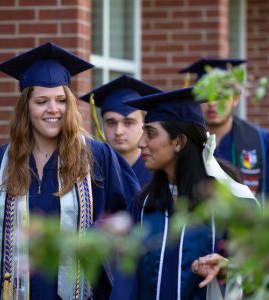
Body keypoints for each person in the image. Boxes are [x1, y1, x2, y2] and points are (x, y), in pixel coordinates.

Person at [0, 42, 140, 300]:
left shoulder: (98, 158)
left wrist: (99, 233)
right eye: (42, 101)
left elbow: (133, 222)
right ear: (26, 107)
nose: (53, 109)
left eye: (61, 101)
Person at [109, 87, 257, 299]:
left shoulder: (232, 203)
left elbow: (263, 275)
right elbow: (126, 285)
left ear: (178, 142)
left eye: (150, 133)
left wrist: (228, 268)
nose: (141, 143)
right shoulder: (143, 206)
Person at [180, 58, 269, 210]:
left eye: (220, 95)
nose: (212, 103)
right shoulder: (185, 144)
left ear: (235, 98)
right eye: (205, 95)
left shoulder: (263, 141)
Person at [80, 75, 161, 187]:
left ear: (144, 124)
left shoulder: (160, 176)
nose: (119, 131)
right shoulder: (89, 174)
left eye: (128, 122)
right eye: (111, 122)